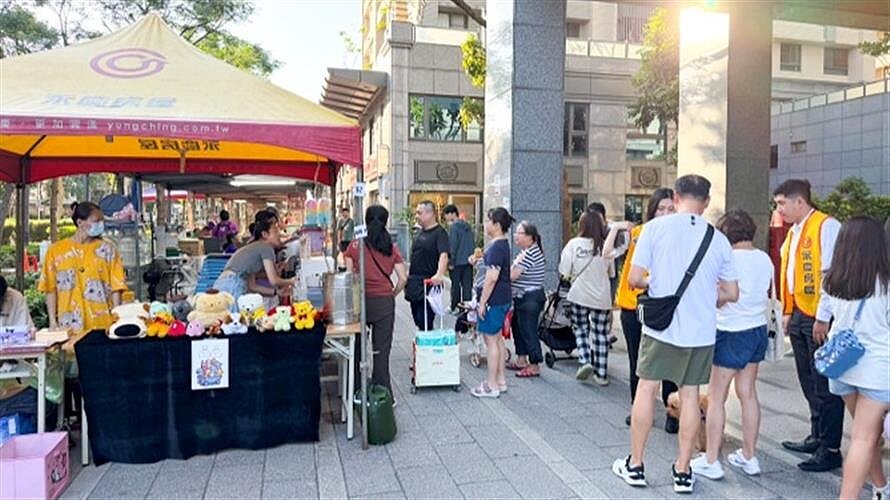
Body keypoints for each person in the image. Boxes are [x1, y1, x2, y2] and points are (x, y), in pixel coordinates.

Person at [612, 175, 738, 494]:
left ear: (677, 197)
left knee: (646, 389)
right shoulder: (719, 239)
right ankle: (683, 471)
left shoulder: (654, 229)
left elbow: (636, 279)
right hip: (700, 332)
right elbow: (731, 292)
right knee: (691, 396)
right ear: (706, 202)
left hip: (660, 327)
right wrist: (709, 296)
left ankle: (636, 465)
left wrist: (658, 283)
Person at [691, 209, 773, 480]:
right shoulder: (764, 259)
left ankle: (711, 459)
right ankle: (749, 456)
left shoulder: (726, 259)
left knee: (717, 397)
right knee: (748, 393)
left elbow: (720, 296)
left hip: (729, 331)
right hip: (756, 331)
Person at [814, 217, 889, 500]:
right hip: (876, 370)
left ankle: (881, 487)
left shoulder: (833, 280)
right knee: (864, 439)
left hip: (841, 368)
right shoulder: (885, 283)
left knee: (864, 434)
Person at [774, 178, 844, 472]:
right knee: (807, 379)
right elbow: (790, 273)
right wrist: (787, 310)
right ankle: (816, 434)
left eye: (781, 203)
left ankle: (830, 448)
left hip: (819, 316)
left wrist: (823, 316)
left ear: (799, 201)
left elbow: (829, 273)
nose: (778, 209)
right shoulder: (794, 232)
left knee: (825, 383)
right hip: (800, 314)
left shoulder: (826, 226)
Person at [616, 187, 679, 430]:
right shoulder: (640, 233)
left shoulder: (680, 238)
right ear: (651, 211)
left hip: (665, 307)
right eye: (660, 208)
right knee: (637, 359)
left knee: (668, 360)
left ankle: (672, 411)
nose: (664, 213)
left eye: (670, 209)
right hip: (634, 305)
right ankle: (639, 408)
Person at [559, 211, 630, 386]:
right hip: (602, 297)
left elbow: (564, 270)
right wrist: (618, 226)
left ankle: (585, 360)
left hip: (579, 295)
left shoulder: (574, 244)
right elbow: (612, 272)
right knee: (600, 334)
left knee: (580, 328)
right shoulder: (605, 246)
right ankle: (602, 374)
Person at [345, 205, 408, 395]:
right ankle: (383, 392)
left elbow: (349, 278)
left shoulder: (354, 246)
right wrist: (392, 293)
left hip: (360, 302)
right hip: (384, 303)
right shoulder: (391, 247)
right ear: (386, 221)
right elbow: (403, 278)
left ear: (366, 220)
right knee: (381, 351)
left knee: (356, 348)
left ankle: (356, 390)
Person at [39, 202, 128, 335]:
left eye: (102, 220)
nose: (100, 224)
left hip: (103, 323)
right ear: (80, 223)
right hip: (68, 326)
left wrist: (117, 319)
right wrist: (53, 322)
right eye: (96, 221)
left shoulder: (108, 250)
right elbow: (50, 288)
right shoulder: (56, 251)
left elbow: (117, 287)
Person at [470, 207, 514, 398]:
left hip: (493, 300)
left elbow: (491, 278)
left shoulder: (497, 247)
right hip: (502, 298)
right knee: (497, 339)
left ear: (496, 225)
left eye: (488, 221)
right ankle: (500, 380)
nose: (486, 224)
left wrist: (482, 303)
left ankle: (491, 384)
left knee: (491, 341)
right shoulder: (501, 244)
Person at [213, 214, 296, 312]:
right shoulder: (266, 247)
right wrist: (293, 281)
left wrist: (276, 292)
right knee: (235, 323)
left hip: (222, 284)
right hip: (233, 285)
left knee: (226, 323)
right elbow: (274, 280)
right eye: (275, 231)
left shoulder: (253, 247)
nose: (279, 234)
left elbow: (252, 286)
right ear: (265, 234)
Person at [507, 221, 546, 378]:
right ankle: (521, 359)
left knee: (528, 330)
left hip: (530, 298)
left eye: (520, 233)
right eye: (516, 232)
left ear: (531, 237)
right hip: (522, 297)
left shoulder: (531, 253)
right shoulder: (526, 251)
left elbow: (513, 275)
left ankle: (534, 364)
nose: (516, 235)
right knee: (518, 327)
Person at [405, 201, 449, 331]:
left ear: (430, 214)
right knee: (417, 319)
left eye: (420, 212)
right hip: (414, 283)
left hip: (429, 283)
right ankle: (422, 344)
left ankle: (428, 346)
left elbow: (444, 254)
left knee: (425, 320)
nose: (416, 215)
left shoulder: (440, 233)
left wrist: (440, 274)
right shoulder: (419, 232)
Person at [443, 204, 474, 312]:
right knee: (467, 286)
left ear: (452, 214)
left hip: (457, 262)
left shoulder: (454, 227)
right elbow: (472, 243)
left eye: (446, 215)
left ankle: (455, 306)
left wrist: (450, 261)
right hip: (468, 261)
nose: (446, 218)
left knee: (455, 286)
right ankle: (467, 308)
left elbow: (453, 245)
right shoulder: (468, 226)